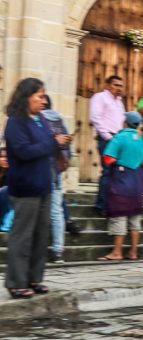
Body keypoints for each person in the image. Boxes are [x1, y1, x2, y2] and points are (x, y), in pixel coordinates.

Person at [4, 78, 70, 299]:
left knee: (41, 236)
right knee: (22, 236)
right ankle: (16, 282)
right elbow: (24, 151)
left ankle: (34, 278)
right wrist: (53, 143)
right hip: (25, 186)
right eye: (39, 96)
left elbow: (46, 145)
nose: (43, 100)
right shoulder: (15, 122)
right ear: (26, 96)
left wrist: (59, 141)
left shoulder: (40, 119)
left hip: (44, 184)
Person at [99, 112, 143, 261]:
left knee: (119, 216)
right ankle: (133, 252)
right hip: (137, 182)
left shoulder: (119, 138)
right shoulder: (141, 141)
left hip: (121, 181)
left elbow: (108, 158)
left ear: (125, 122)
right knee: (135, 218)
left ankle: (117, 252)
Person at [89, 75, 125, 214]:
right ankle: (101, 206)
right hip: (107, 140)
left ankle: (111, 204)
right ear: (109, 85)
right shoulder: (100, 98)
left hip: (117, 140)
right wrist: (109, 138)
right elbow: (95, 118)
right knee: (107, 172)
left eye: (121, 86)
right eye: (116, 85)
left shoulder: (119, 102)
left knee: (117, 174)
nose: (119, 88)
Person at [41, 95, 71, 264]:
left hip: (38, 172)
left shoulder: (37, 120)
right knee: (56, 212)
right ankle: (58, 250)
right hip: (55, 173)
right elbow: (67, 148)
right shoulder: (59, 121)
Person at [0, 148, 11, 232]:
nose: (6, 159)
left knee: (5, 191)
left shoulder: (12, 173)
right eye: (2, 156)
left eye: (8, 156)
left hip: (8, 203)